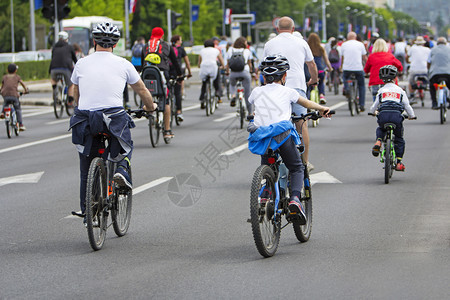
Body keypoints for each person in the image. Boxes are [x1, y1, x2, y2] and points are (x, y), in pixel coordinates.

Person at [69, 22, 156, 222]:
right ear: (115, 44)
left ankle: (88, 211)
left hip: (87, 117)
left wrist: (78, 106)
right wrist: (150, 108)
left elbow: (75, 90)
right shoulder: (123, 64)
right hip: (114, 117)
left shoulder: (82, 63)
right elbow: (142, 90)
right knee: (125, 146)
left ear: (94, 41)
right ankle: (122, 170)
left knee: (85, 166)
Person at [247, 55, 331, 222]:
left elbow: (257, 106)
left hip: (262, 135)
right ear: (284, 76)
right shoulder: (288, 91)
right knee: (297, 167)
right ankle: (294, 199)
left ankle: (265, 194)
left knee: (267, 165)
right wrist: (322, 109)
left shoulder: (256, 91)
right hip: (282, 135)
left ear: (264, 76)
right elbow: (306, 104)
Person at [263, 16, 318, 171]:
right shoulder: (301, 42)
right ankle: (305, 163)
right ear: (293, 29)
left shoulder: (269, 44)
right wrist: (313, 79)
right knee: (302, 125)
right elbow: (311, 64)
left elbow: (263, 67)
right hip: (297, 88)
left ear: (277, 29)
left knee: (273, 123)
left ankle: (271, 162)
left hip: (275, 90)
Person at [370, 65, 415, 172]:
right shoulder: (400, 91)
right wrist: (412, 115)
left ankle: (379, 141)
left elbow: (374, 106)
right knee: (399, 138)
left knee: (381, 128)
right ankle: (399, 162)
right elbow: (407, 106)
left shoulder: (381, 91)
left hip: (383, 114)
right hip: (396, 116)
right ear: (395, 78)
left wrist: (372, 112)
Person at [141, 27, 182, 139]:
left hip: (147, 74)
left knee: (146, 92)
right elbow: (175, 62)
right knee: (166, 100)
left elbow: (142, 63)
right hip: (162, 74)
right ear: (162, 36)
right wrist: (179, 75)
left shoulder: (145, 46)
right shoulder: (167, 46)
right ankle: (167, 131)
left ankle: (147, 109)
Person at [340, 31, 368, 111]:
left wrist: (341, 67)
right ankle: (362, 105)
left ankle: (347, 89)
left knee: (345, 78)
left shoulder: (344, 45)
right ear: (355, 37)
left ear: (348, 37)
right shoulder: (360, 44)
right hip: (358, 68)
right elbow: (364, 57)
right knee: (361, 86)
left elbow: (342, 58)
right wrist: (367, 67)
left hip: (347, 68)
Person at [226, 36, 253, 115]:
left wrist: (227, 71)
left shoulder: (230, 50)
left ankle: (233, 95)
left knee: (232, 84)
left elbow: (228, 63)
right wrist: (251, 71)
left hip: (233, 73)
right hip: (244, 72)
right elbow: (250, 64)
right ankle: (250, 113)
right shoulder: (247, 51)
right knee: (248, 93)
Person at [49, 31, 77, 105]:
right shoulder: (70, 47)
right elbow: (75, 59)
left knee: (53, 80)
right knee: (71, 84)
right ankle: (70, 100)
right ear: (66, 39)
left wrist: (50, 71)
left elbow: (52, 59)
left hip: (54, 68)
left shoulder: (54, 47)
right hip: (66, 68)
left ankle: (54, 87)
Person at [170, 35, 192, 122]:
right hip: (177, 72)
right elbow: (187, 62)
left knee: (166, 93)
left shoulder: (168, 48)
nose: (181, 41)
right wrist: (189, 72)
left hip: (168, 71)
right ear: (178, 41)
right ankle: (179, 111)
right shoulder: (181, 49)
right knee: (177, 92)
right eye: (181, 40)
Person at [0, 63, 28, 130]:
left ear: (7, 70)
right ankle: (20, 124)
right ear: (15, 70)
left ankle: (2, 113)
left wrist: (1, 91)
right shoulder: (17, 77)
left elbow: (2, 86)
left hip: (5, 95)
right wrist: (26, 90)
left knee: (5, 104)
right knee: (18, 109)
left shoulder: (4, 77)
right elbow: (22, 83)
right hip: (14, 95)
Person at [198, 39, 225, 108]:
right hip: (213, 66)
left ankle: (202, 97)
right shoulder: (216, 50)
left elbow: (199, 62)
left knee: (204, 83)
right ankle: (218, 93)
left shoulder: (202, 51)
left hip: (203, 67)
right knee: (217, 80)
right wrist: (223, 66)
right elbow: (221, 59)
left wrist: (199, 66)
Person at [307, 33, 333, 104]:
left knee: (308, 84)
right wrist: (330, 68)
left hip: (310, 71)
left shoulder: (307, 48)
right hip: (320, 70)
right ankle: (321, 95)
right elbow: (326, 60)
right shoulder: (321, 48)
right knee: (321, 82)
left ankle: (308, 99)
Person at [427, 37, 450, 109]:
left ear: (437, 43)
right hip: (448, 73)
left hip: (435, 74)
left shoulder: (432, 50)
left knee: (432, 87)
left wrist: (429, 70)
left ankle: (434, 102)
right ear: (445, 43)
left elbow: (428, 62)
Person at [406, 36, 431, 100]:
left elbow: (407, 57)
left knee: (410, 81)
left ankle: (412, 95)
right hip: (424, 69)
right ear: (423, 43)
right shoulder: (427, 49)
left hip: (414, 69)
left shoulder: (412, 48)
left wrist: (408, 61)